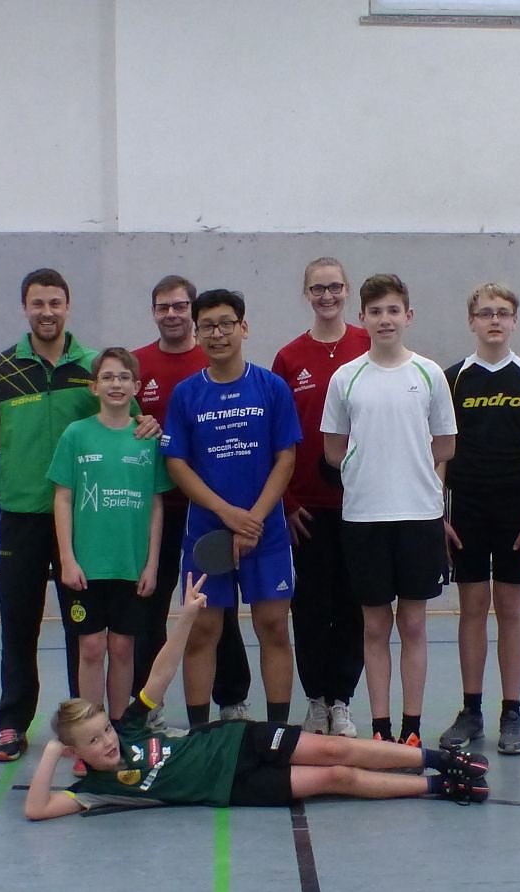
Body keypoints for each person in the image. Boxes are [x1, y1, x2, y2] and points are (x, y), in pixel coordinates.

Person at [23, 573, 490, 820]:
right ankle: (438, 787)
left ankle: (440, 760)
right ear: (76, 753)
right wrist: (52, 752)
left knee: (334, 748)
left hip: (236, 741)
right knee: (337, 777)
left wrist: (186, 617)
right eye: (92, 741)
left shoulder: (129, 727)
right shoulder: (94, 791)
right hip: (232, 788)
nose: (106, 741)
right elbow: (37, 808)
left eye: (103, 730)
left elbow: (162, 671)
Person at [0, 268, 158, 762]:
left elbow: (126, 419)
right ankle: (12, 723)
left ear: (67, 306)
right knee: (18, 623)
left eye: (55, 303)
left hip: (81, 523)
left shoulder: (91, 368)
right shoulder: (2, 368)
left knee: (84, 634)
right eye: (38, 303)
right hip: (19, 516)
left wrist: (148, 422)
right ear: (25, 308)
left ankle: (85, 731)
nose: (47, 312)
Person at [321, 274, 457, 748]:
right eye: (375, 311)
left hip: (419, 517)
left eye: (393, 310)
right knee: (375, 625)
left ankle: (411, 729)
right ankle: (380, 729)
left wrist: (409, 471)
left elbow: (445, 444)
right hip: (363, 519)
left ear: (408, 316)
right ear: (362, 318)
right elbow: (333, 450)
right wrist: (369, 469)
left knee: (414, 624)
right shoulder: (346, 377)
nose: (385, 319)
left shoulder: (429, 374)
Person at [161, 289, 300, 729]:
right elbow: (176, 463)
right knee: (202, 631)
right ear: (197, 332)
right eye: (207, 326)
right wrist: (227, 514)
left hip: (266, 532)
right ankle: (201, 735)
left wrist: (252, 519)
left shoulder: (272, 387)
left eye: (226, 324)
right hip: (207, 531)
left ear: (244, 327)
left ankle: (278, 735)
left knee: (273, 626)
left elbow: (286, 459)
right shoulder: (186, 394)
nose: (217, 334)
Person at [438, 283, 520, 755]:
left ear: (514, 321)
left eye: (503, 313)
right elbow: (440, 452)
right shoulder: (452, 378)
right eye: (485, 313)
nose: (494, 320)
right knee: (471, 607)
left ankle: (512, 711)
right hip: (465, 508)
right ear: (471, 321)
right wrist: (437, 514)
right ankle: (471, 710)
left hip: (515, 508)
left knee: (510, 608)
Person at [133, 275, 253, 728]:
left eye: (179, 306)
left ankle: (232, 699)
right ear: (153, 312)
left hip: (208, 510)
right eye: (163, 307)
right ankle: (148, 704)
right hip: (155, 510)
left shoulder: (216, 360)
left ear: (193, 314)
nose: (172, 314)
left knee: (217, 611)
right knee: (150, 607)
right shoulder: (137, 365)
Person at [47, 347, 172, 775]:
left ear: (136, 387)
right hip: (87, 566)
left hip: (131, 565)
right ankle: (89, 739)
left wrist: (152, 563)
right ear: (94, 386)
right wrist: (67, 558)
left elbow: (156, 505)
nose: (115, 384)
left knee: (122, 647)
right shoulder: (76, 435)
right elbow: (63, 498)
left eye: (123, 378)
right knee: (91, 647)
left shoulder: (147, 438)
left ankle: (119, 733)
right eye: (107, 377)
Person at [271, 258, 371, 737]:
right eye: (317, 288)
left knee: (353, 606)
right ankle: (315, 701)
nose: (327, 296)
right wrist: (288, 503)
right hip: (306, 511)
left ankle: (342, 701)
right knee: (310, 608)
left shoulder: (369, 345)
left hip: (362, 507)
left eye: (334, 287)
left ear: (347, 290)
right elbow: (279, 438)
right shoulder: (289, 358)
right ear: (306, 293)